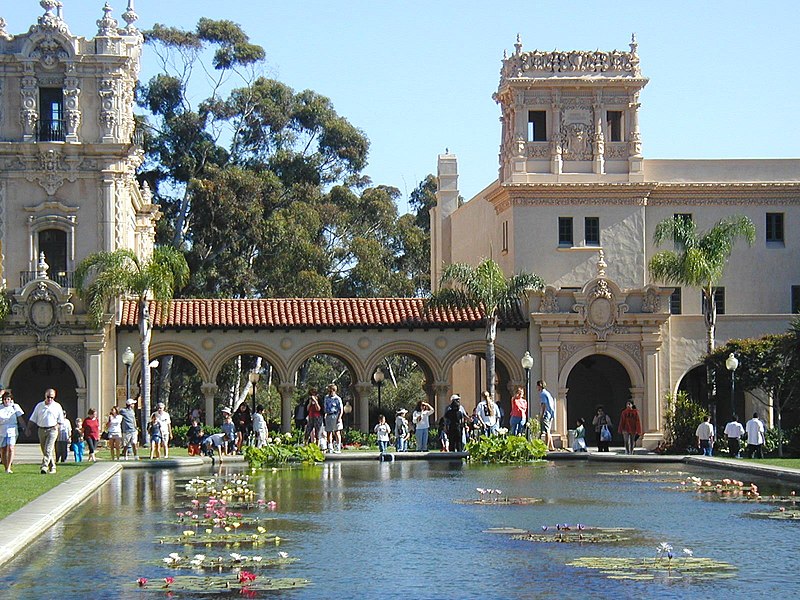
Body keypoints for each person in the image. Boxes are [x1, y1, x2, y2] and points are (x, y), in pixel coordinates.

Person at [27, 388, 64, 474]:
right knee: (45, 450)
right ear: (45, 396)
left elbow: (61, 420)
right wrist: (28, 428)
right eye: (48, 397)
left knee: (48, 448)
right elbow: (33, 418)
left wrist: (57, 426)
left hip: (52, 430)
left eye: (52, 397)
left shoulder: (57, 406)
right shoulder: (40, 406)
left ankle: (44, 466)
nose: (50, 399)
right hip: (41, 429)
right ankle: (53, 467)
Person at [0, 390, 26, 473]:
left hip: (12, 429)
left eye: (8, 399)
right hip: (2, 430)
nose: (6, 401)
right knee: (3, 449)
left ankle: (9, 467)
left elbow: (20, 418)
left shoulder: (15, 407)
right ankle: (5, 466)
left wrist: (25, 428)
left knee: (11, 447)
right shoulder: (0, 407)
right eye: (5, 399)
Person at [323, 384, 344, 454]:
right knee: (328, 432)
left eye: (329, 390)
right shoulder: (326, 398)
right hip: (328, 415)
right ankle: (330, 447)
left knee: (337, 432)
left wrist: (339, 418)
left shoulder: (337, 399)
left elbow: (341, 409)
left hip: (336, 415)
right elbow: (325, 407)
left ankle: (338, 447)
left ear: (333, 390)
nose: (328, 391)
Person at [538, 381, 556, 450]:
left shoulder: (542, 394)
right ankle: (552, 447)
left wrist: (541, 415)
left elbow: (543, 405)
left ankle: (546, 447)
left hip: (546, 414)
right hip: (551, 414)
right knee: (548, 430)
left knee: (547, 431)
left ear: (540, 386)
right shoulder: (547, 393)